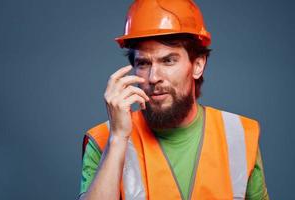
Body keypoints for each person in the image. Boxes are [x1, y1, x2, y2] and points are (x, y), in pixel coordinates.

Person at [79, 0, 269, 199]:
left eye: (168, 60)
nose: (153, 77)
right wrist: (117, 139)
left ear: (197, 65)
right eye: (143, 63)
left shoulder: (239, 136)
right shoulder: (103, 139)